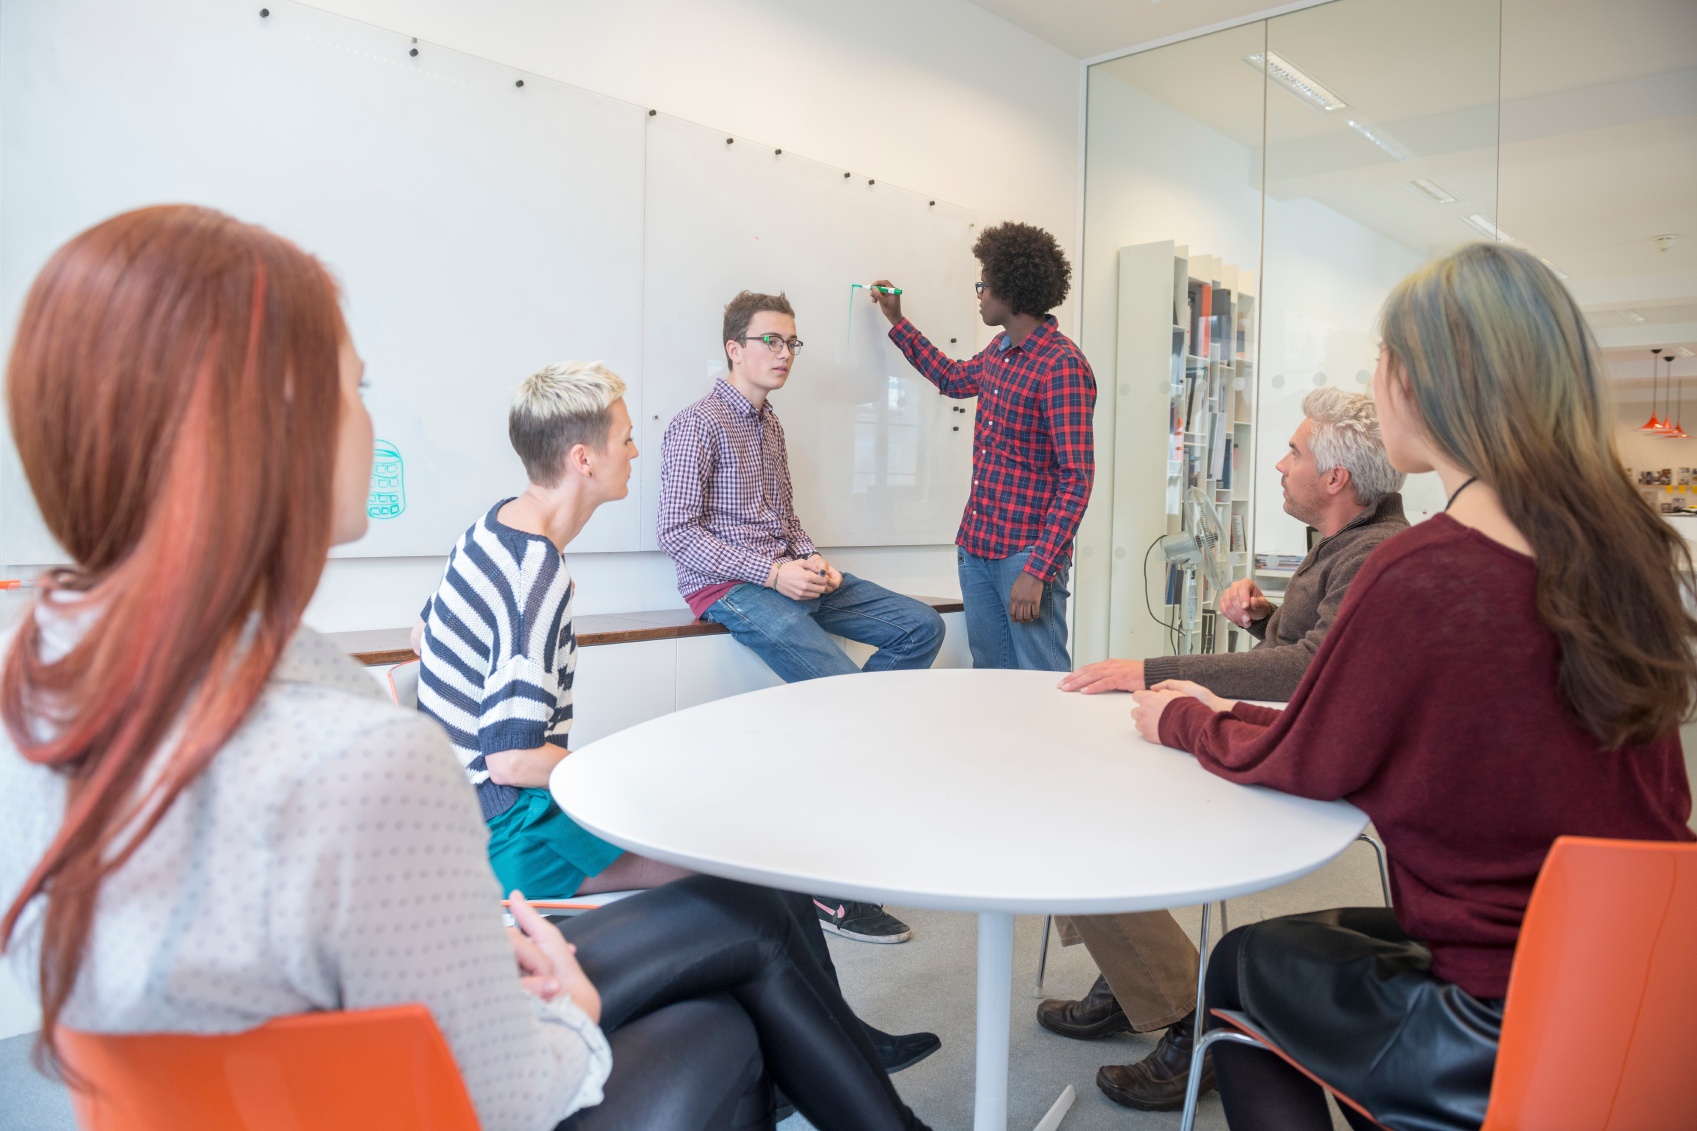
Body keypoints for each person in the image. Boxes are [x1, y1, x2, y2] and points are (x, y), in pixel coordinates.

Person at [0, 206, 934, 1131]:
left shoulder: (53, 671)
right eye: (356, 391)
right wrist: (566, 1007)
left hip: (261, 1088)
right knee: (719, 1011)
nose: (370, 424)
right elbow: (506, 1079)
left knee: (731, 958)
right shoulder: (367, 749)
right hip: (472, 937)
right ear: (269, 432)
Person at [1129, 242, 1695, 1131]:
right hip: (1642, 981)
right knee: (1329, 940)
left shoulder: (1425, 572)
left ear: (1425, 382)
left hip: (1500, 1018)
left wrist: (1185, 719)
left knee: (1238, 965)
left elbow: (1305, 753)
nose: (1377, 377)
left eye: (1382, 358)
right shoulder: (1627, 554)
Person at [1032, 388, 1408, 1112]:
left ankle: (1175, 1011)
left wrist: (1147, 670)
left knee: (1092, 810)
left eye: (1294, 451)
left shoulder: (1372, 554)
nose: (1278, 462)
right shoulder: (1347, 541)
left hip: (1306, 759)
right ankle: (1132, 975)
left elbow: (1307, 672)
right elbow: (1312, 650)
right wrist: (1265, 617)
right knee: (1094, 792)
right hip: (1286, 736)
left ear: (1335, 479)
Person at [658, 289, 946, 946]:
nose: (784, 353)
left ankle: (854, 750)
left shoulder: (770, 423)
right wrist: (772, 572)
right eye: (770, 340)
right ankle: (830, 889)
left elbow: (783, 519)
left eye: (791, 342)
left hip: (784, 574)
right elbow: (676, 533)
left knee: (920, 626)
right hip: (729, 587)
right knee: (846, 697)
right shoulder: (696, 423)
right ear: (734, 347)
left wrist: (811, 559)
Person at [415, 362, 690, 902]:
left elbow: (424, 635)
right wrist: (614, 774)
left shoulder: (492, 526)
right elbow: (512, 760)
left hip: (457, 813)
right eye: (627, 439)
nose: (635, 452)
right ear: (583, 459)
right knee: (723, 865)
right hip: (504, 834)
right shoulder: (534, 577)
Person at [870, 221, 1095, 672]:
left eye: (984, 285)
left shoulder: (1062, 366)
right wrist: (897, 320)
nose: (980, 295)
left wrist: (1039, 569)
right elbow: (952, 378)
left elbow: (1077, 480)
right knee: (990, 678)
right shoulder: (1000, 351)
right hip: (977, 548)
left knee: (1040, 680)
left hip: (1025, 557)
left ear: (1009, 293)